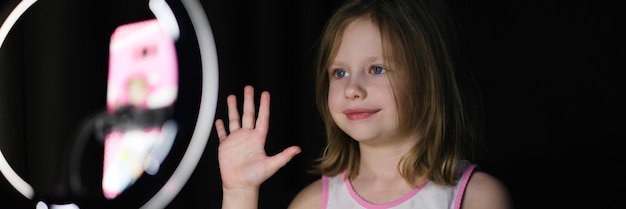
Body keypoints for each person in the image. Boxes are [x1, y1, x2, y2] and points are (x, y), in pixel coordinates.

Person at [215, 0, 513, 208]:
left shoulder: (477, 197)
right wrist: (240, 193)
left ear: (428, 80)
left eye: (377, 69)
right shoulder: (312, 203)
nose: (352, 90)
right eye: (340, 72)